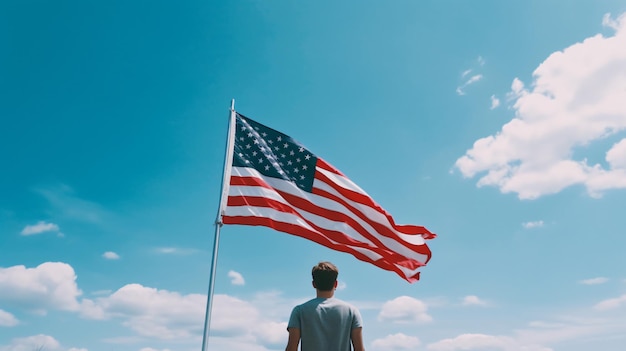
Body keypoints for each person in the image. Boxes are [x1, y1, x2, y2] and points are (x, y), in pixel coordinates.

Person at [285, 261, 365, 351]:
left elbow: (292, 348)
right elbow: (359, 349)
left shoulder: (299, 311)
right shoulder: (352, 311)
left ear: (313, 284)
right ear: (336, 284)